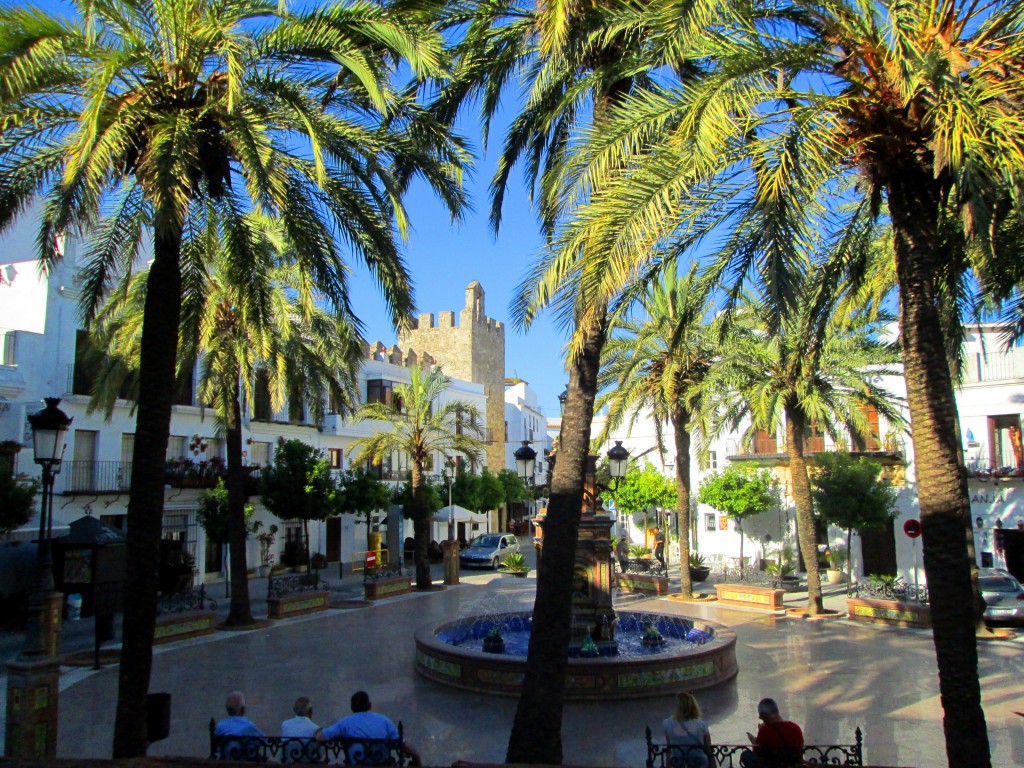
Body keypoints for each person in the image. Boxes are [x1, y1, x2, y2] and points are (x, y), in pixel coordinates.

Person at [316, 690, 421, 766]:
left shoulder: (345, 722)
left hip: (356, 764)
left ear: (352, 708)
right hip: (379, 763)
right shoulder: (384, 721)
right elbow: (400, 743)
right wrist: (416, 756)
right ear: (370, 705)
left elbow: (321, 737)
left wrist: (317, 730)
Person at [740, 698, 803, 768]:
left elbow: (757, 752)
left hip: (773, 764)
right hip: (793, 763)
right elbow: (800, 749)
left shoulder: (765, 730)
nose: (763, 720)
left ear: (765, 715)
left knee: (745, 755)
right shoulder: (794, 727)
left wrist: (754, 741)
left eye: (762, 717)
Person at [663, 691, 716, 768]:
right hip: (699, 763)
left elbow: (669, 751)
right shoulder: (701, 725)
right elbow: (709, 751)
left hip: (678, 763)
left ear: (678, 707)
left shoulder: (668, 724)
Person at [214, 691, 265, 761]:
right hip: (245, 762)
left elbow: (216, 743)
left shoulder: (220, 725)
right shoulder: (249, 726)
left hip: (226, 762)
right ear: (243, 709)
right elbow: (264, 739)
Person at [281, 696, 321, 764]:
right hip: (307, 763)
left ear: (294, 709)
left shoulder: (285, 724)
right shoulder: (316, 728)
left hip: (288, 763)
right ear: (311, 711)